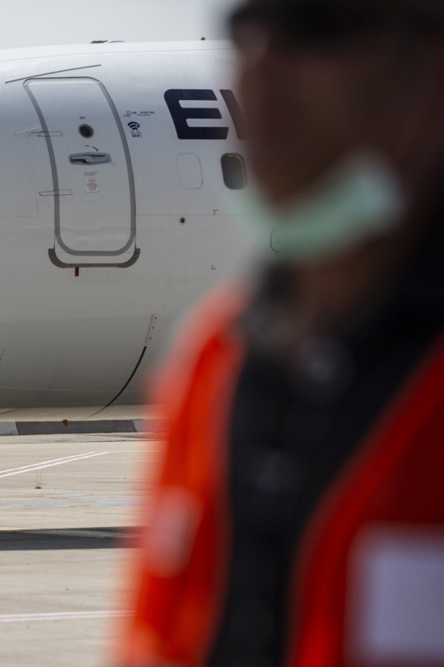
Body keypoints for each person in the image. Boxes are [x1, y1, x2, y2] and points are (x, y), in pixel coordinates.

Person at [119, 0, 444, 664]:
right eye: (246, 25)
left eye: (315, 24)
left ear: (428, 67)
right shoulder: (217, 364)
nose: (263, 58)